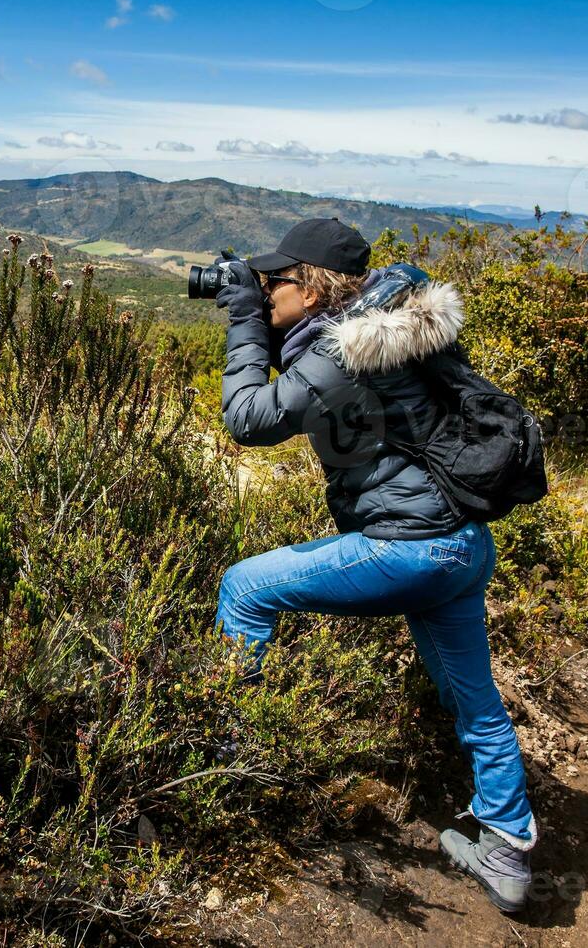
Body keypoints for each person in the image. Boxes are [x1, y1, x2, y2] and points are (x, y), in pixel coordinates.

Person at [212, 218, 538, 914]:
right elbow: (312, 372)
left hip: (408, 548)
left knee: (244, 588)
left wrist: (243, 320)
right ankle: (508, 853)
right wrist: (260, 317)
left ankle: (226, 764)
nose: (267, 291)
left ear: (316, 285)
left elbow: (248, 418)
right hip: (461, 547)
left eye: (277, 281)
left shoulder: (347, 347)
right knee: (473, 700)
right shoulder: (386, 327)